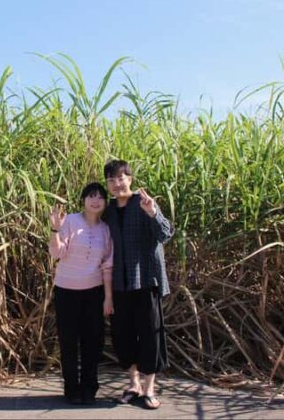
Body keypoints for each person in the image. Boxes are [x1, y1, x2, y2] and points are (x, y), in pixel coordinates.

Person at [102, 159, 174, 410]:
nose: (116, 183)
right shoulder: (109, 210)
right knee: (122, 336)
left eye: (121, 178)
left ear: (130, 179)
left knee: (150, 336)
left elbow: (166, 233)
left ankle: (149, 388)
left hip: (146, 279)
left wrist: (153, 213)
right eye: (111, 180)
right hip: (119, 283)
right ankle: (133, 384)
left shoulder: (143, 203)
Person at [48, 182, 114, 405]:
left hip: (93, 293)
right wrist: (55, 229)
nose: (95, 201)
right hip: (66, 291)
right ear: (83, 200)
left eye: (100, 197)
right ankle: (71, 388)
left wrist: (108, 297)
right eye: (91, 196)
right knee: (68, 342)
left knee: (92, 342)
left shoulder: (106, 229)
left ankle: (89, 387)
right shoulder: (70, 221)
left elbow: (107, 265)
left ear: (105, 203)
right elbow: (57, 253)